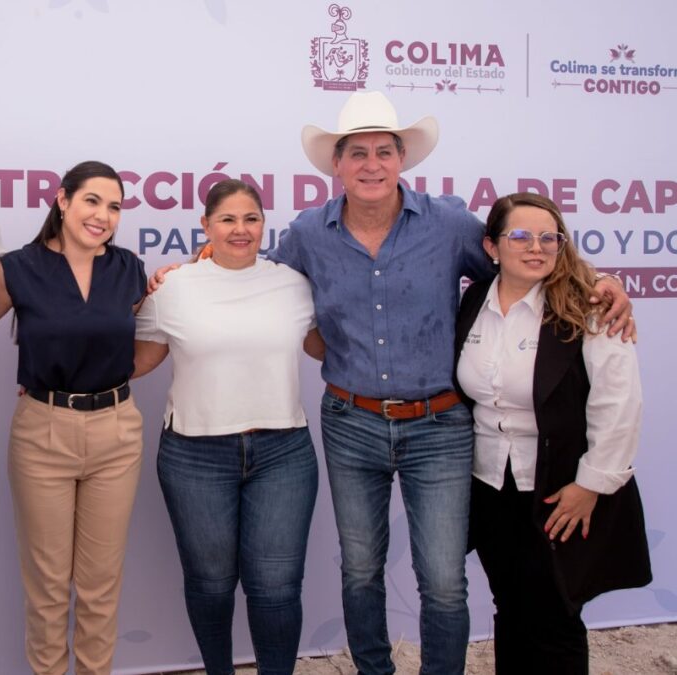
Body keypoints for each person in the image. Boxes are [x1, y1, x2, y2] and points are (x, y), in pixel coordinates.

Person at [185, 91, 631, 673]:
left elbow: (526, 257)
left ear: (402, 160)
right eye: (358, 153)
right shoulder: (308, 235)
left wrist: (604, 281)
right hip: (350, 422)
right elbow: (254, 280)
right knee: (361, 569)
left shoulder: (448, 224)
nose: (372, 164)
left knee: (443, 578)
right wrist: (197, 265)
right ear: (337, 165)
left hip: (441, 426)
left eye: (384, 151)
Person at [131, 179, 325, 674]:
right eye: (228, 220)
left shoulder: (294, 283)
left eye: (251, 219)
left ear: (264, 224)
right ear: (206, 226)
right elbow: (138, 361)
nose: (241, 230)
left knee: (276, 588)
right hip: (194, 455)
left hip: (283, 452)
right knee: (210, 583)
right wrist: (60, 370)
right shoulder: (174, 287)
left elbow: (331, 349)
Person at [453, 192, 651, 673]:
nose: (536, 246)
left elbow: (618, 400)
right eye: (520, 235)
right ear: (492, 246)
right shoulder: (474, 298)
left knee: (556, 613)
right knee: (512, 607)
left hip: (561, 487)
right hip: (490, 486)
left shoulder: (586, 305)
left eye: (549, 237)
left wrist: (591, 485)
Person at [0, 161, 146, 675]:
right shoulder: (16, 268)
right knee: (48, 585)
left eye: (114, 206)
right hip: (42, 433)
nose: (102, 215)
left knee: (100, 584)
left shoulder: (129, 269)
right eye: (92, 201)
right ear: (62, 200)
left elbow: (143, 339)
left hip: (117, 432)